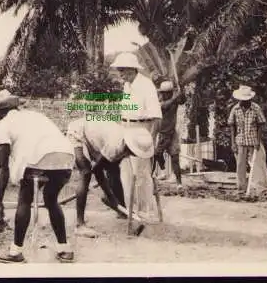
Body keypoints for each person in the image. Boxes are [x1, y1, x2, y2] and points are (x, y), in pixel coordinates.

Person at [0, 91, 75, 264]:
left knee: (24, 200)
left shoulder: (4, 125)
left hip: (38, 159)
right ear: (16, 106)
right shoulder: (35, 115)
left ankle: (15, 252)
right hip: (66, 155)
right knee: (51, 200)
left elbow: (2, 167)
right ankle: (64, 249)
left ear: (0, 113)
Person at [66, 117, 154, 238]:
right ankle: (80, 225)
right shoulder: (116, 145)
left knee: (114, 170)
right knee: (85, 172)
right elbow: (97, 170)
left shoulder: (124, 143)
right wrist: (109, 196)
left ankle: (122, 210)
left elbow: (111, 170)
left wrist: (116, 203)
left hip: (93, 137)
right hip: (78, 133)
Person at [110, 52, 162, 213]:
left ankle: (144, 210)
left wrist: (151, 140)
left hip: (142, 130)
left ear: (132, 69)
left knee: (141, 174)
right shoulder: (127, 86)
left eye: (122, 70)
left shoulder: (146, 85)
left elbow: (157, 117)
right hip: (127, 129)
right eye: (119, 70)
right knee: (126, 173)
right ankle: (131, 210)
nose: (120, 74)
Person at [227, 85, 266, 192]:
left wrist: (258, 141)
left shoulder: (256, 108)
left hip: (253, 141)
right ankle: (242, 188)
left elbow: (261, 124)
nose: (245, 102)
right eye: (243, 100)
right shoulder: (235, 109)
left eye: (247, 100)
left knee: (256, 165)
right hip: (240, 140)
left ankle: (257, 187)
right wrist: (233, 143)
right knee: (240, 166)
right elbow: (231, 125)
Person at [154, 81, 186, 189]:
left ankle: (179, 183)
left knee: (175, 158)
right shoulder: (160, 102)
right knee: (157, 154)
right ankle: (163, 172)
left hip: (172, 133)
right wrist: (176, 97)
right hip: (163, 134)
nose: (164, 94)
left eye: (167, 93)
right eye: (163, 93)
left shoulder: (174, 100)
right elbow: (165, 107)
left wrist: (182, 91)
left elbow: (182, 100)